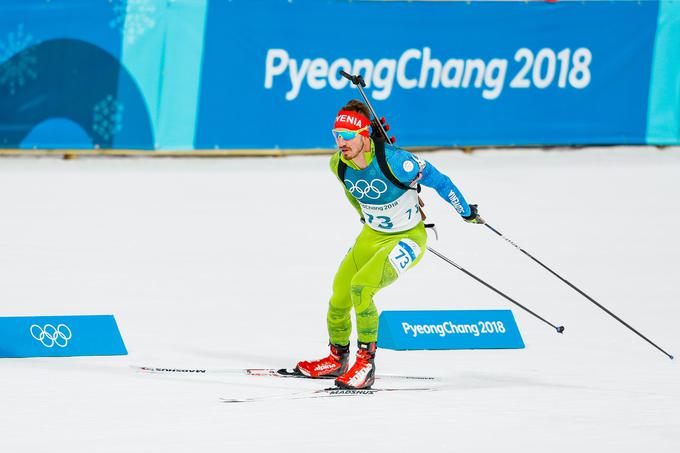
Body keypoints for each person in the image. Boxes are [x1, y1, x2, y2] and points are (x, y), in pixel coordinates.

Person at [295, 99, 484, 389]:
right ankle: (337, 358)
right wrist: (366, 216)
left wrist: (465, 212)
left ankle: (365, 364)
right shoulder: (338, 165)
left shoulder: (398, 161)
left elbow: (441, 181)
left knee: (362, 289)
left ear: (364, 135)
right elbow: (353, 193)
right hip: (371, 237)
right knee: (339, 296)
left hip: (407, 238)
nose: (340, 143)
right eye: (336, 135)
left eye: (346, 136)